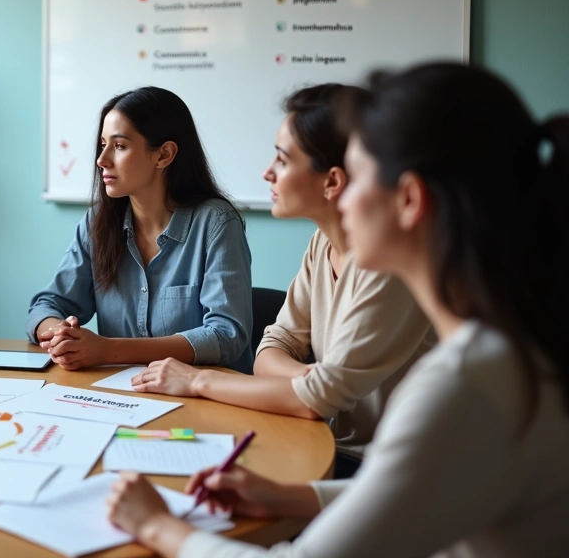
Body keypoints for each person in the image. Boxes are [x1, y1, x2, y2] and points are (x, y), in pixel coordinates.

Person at [106, 63, 569, 556]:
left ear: (409, 199)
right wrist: (292, 496)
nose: (342, 197)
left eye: (357, 175)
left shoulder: (461, 385)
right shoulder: (503, 353)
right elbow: (417, 492)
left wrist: (157, 526)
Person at [129, 84, 434, 478]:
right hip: (329, 445)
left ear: (332, 182)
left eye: (283, 159)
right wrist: (311, 382)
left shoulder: (388, 264)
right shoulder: (323, 242)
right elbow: (274, 347)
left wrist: (197, 380)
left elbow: (314, 399)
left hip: (389, 467)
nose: (267, 172)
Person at [26, 86, 251, 371]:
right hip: (122, 392)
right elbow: (47, 305)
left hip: (202, 392)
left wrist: (109, 350)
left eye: (119, 146)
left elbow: (226, 336)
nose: (101, 160)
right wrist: (60, 333)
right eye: (103, 144)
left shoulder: (216, 223)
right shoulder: (97, 223)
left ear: (164, 155)